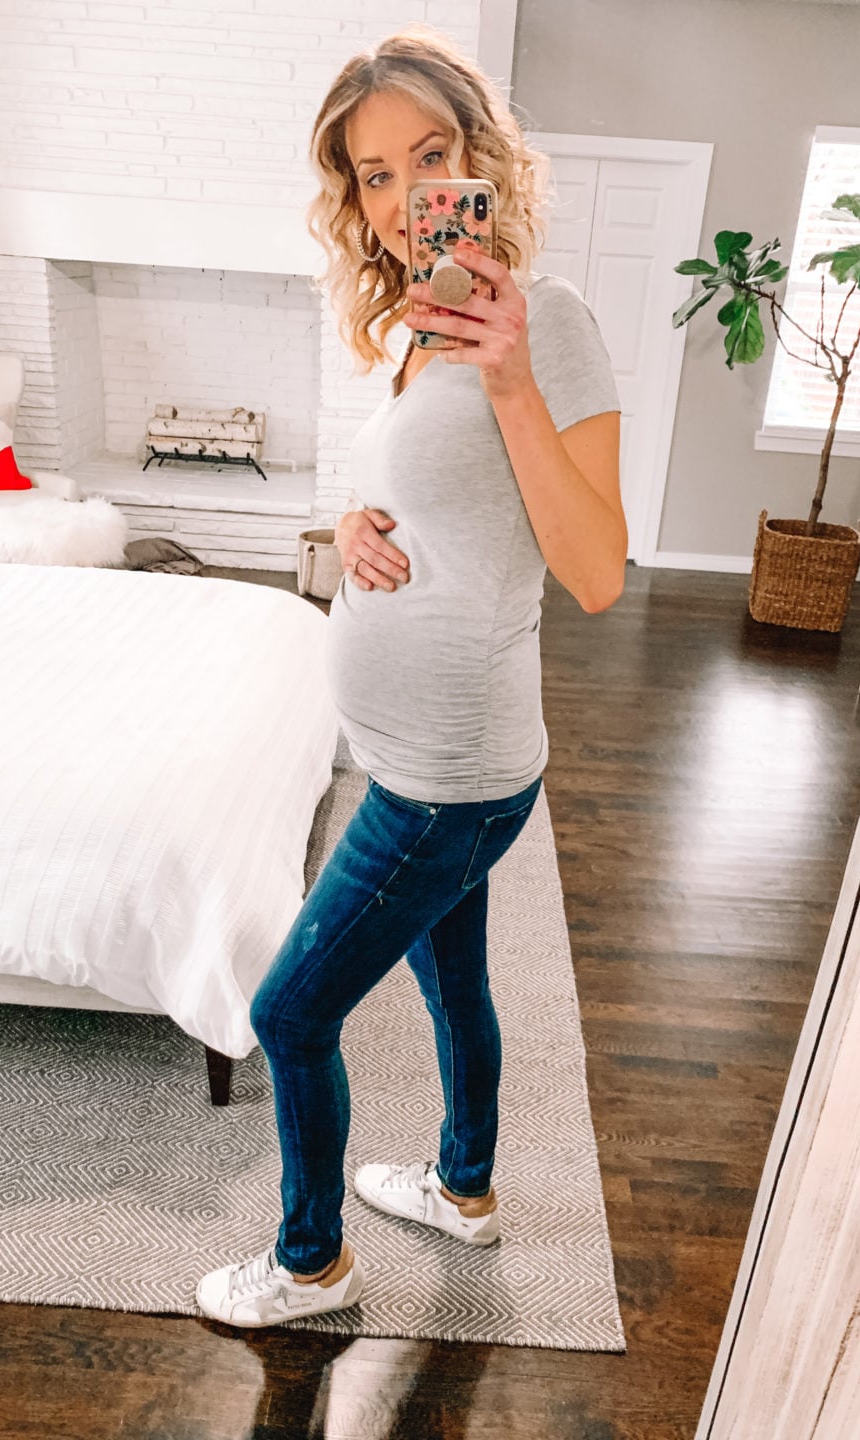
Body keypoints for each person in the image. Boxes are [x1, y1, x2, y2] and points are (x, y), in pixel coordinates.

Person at [195, 24, 626, 1329]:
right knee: (453, 980)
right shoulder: (416, 332)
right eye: (374, 175)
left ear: (481, 159)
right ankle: (465, 1190)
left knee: (290, 1013)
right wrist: (354, 522)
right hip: (420, 758)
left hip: (450, 773)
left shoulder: (546, 325)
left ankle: (311, 1263)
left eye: (429, 159)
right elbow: (433, 495)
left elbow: (596, 570)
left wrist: (513, 380)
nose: (402, 199)